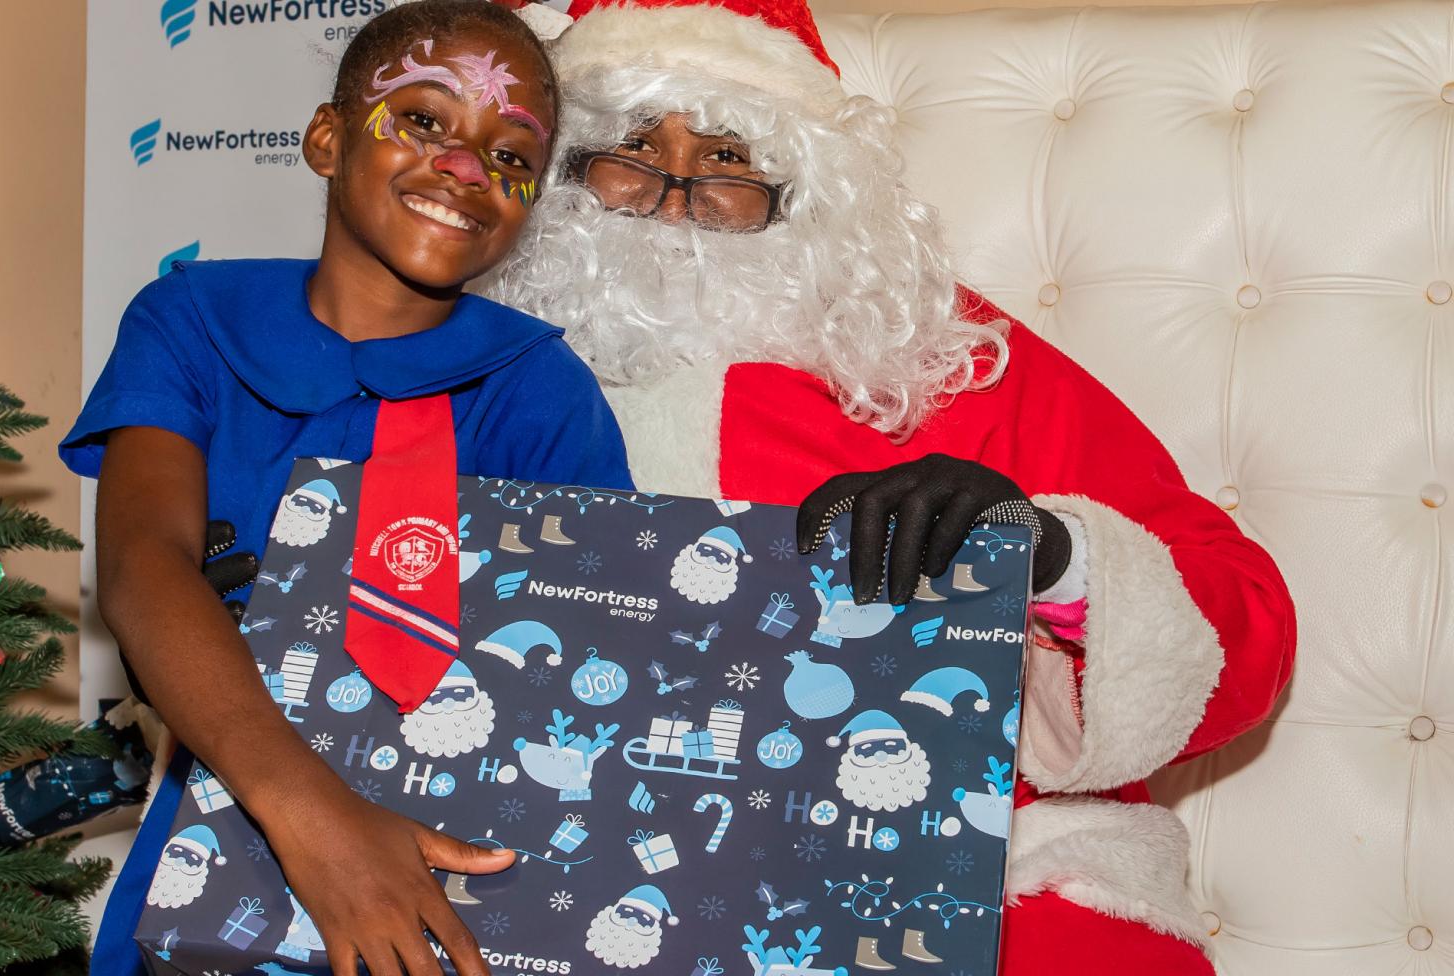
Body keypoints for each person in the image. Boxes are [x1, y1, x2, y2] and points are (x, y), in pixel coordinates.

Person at [484, 0, 1297, 972]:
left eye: (728, 156)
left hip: (969, 880)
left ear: (801, 189)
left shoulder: (949, 355)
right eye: (630, 147)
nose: (676, 192)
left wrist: (1047, 557)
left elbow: (1240, 619)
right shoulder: (464, 373)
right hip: (566, 889)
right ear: (561, 173)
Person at [61, 4, 630, 973]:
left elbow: (593, 655)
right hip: (226, 820)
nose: (466, 169)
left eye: (511, 159)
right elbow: (143, 565)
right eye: (422, 120)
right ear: (327, 139)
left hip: (459, 869)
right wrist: (317, 820)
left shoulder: (543, 390)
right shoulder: (189, 320)